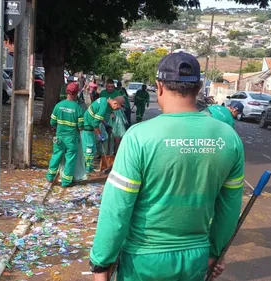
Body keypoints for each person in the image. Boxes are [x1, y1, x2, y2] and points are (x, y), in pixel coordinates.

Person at [89, 52, 245, 281]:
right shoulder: (229, 139)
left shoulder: (139, 137)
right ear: (199, 87)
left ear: (159, 86)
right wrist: (215, 252)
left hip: (143, 260)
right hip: (196, 258)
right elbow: (229, 208)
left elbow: (117, 208)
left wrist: (101, 263)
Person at [46, 82, 84, 187]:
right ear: (76, 93)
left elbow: (52, 122)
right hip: (72, 139)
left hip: (59, 138)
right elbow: (81, 127)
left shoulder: (58, 106)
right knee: (70, 159)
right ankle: (66, 181)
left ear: (67, 91)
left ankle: (50, 177)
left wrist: (60, 128)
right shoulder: (78, 108)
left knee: (56, 156)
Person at [81, 96, 124, 173]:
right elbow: (95, 124)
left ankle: (88, 168)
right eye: (118, 107)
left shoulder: (104, 100)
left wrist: (105, 124)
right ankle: (88, 171)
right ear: (115, 103)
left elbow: (99, 116)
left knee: (92, 149)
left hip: (89, 127)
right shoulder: (104, 107)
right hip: (87, 129)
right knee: (89, 150)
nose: (117, 109)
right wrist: (100, 134)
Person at [99, 79, 128, 153]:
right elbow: (99, 104)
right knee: (103, 136)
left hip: (114, 117)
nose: (110, 88)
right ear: (106, 86)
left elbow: (122, 104)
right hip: (104, 116)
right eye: (109, 86)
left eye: (112, 87)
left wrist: (115, 112)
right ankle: (103, 153)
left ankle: (115, 153)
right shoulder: (102, 93)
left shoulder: (117, 93)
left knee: (116, 136)